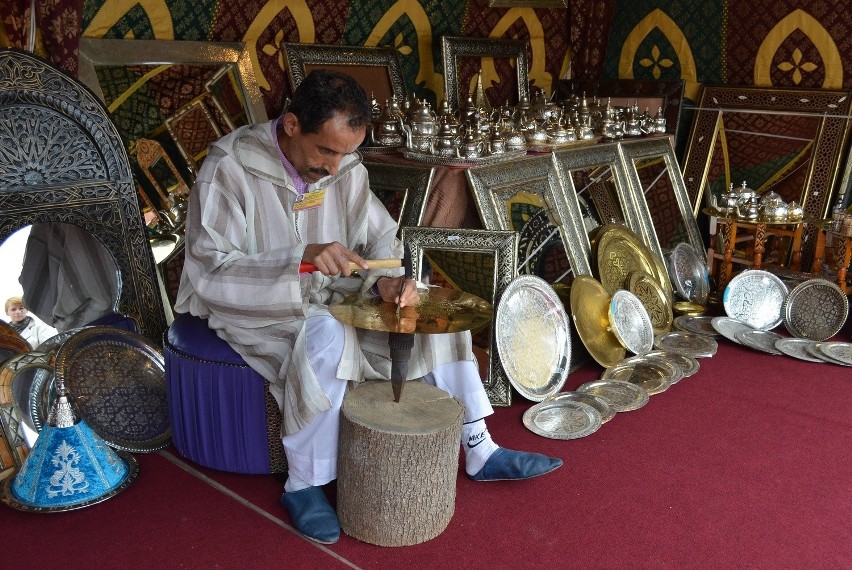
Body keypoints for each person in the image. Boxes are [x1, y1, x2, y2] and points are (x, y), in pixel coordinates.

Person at [175, 70, 562, 544]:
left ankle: (480, 447)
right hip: (254, 300)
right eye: (326, 151)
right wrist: (299, 259)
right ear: (292, 124)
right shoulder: (231, 166)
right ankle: (304, 483)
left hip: (332, 293)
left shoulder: (345, 168)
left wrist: (389, 282)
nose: (336, 168)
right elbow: (209, 269)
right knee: (326, 336)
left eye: (347, 153)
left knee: (434, 309)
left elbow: (380, 238)